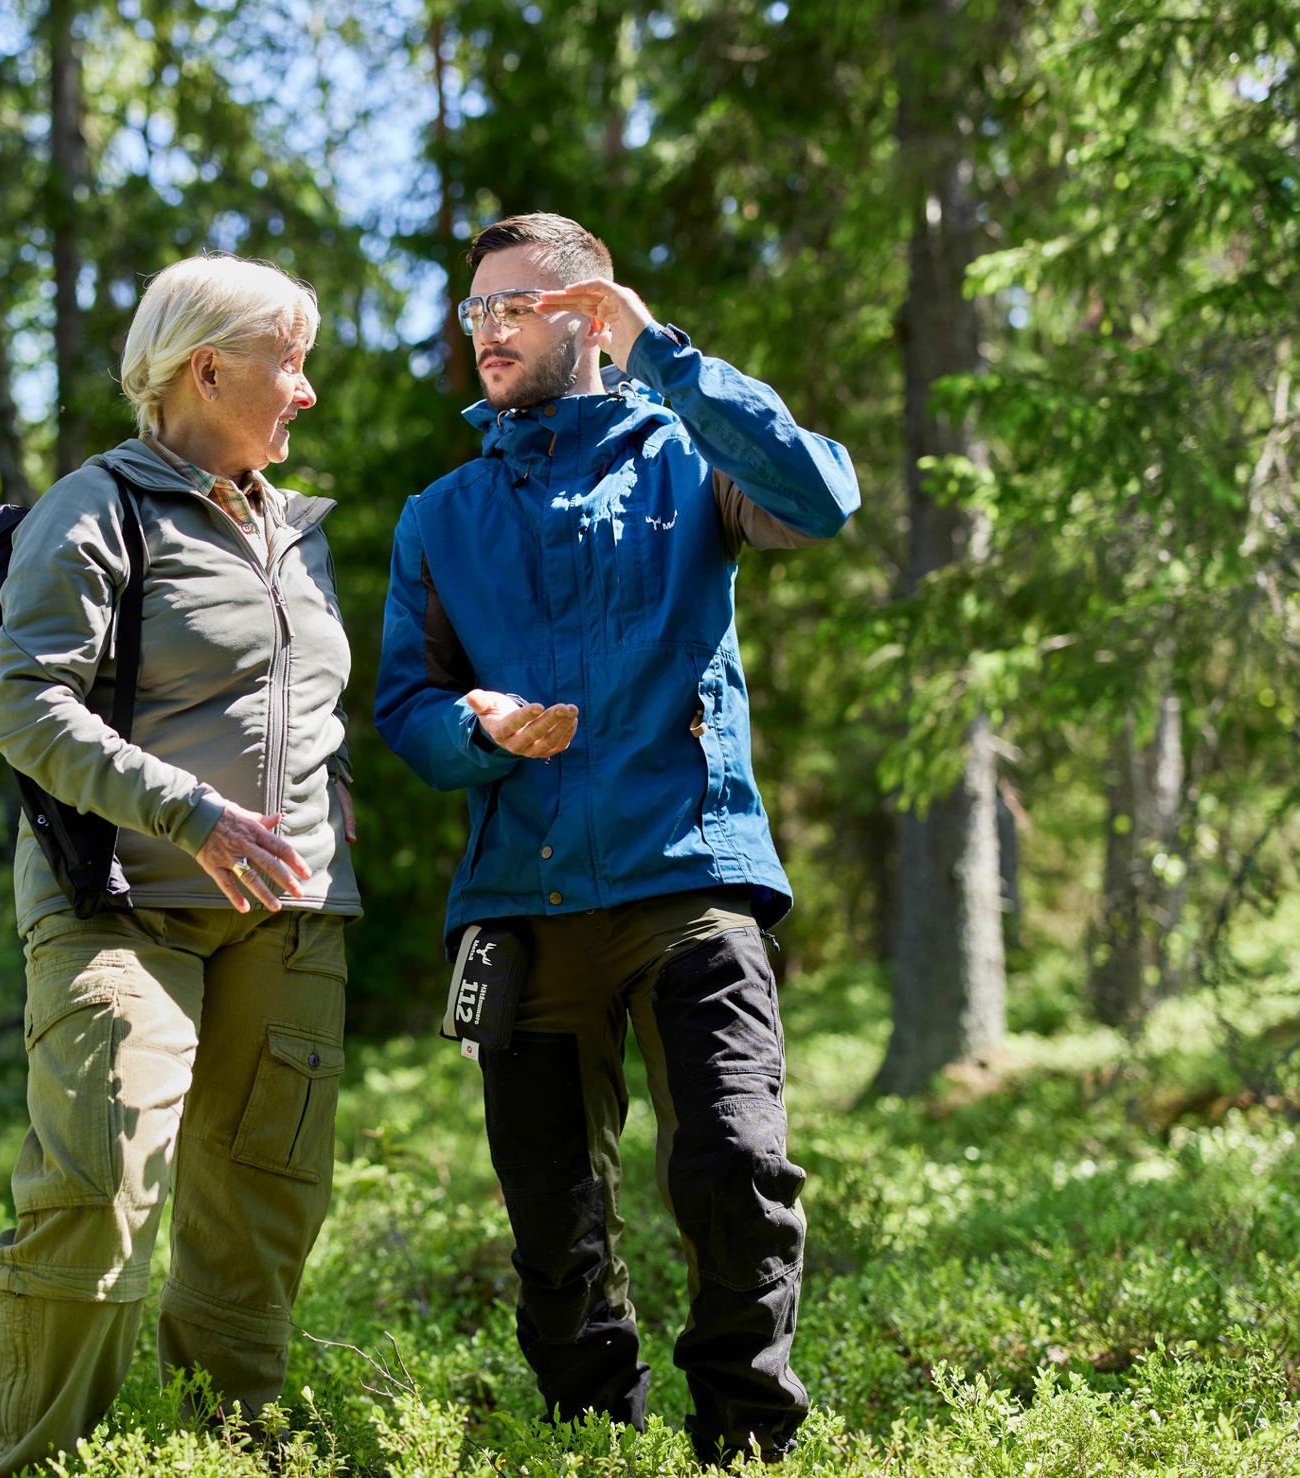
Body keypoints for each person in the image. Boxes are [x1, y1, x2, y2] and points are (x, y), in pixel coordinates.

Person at [374, 213, 859, 1466]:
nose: (485, 333)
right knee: (552, 1219)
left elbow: (820, 497)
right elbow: (404, 711)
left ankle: (742, 1440)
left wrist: (669, 356)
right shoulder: (439, 515)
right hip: (515, 903)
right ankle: (594, 1441)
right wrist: (474, 724)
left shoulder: (688, 457)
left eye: (514, 308)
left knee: (734, 1168)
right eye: (473, 311)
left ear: (587, 315)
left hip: (687, 872)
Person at [0, 254, 359, 1478]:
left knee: (262, 1212)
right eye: (288, 362)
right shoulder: (99, 505)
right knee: (98, 1184)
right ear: (208, 367)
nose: (303, 391)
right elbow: (24, 705)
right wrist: (187, 810)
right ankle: (22, 1466)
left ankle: (222, 1457)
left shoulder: (298, 534)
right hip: (123, 909)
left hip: (288, 920)